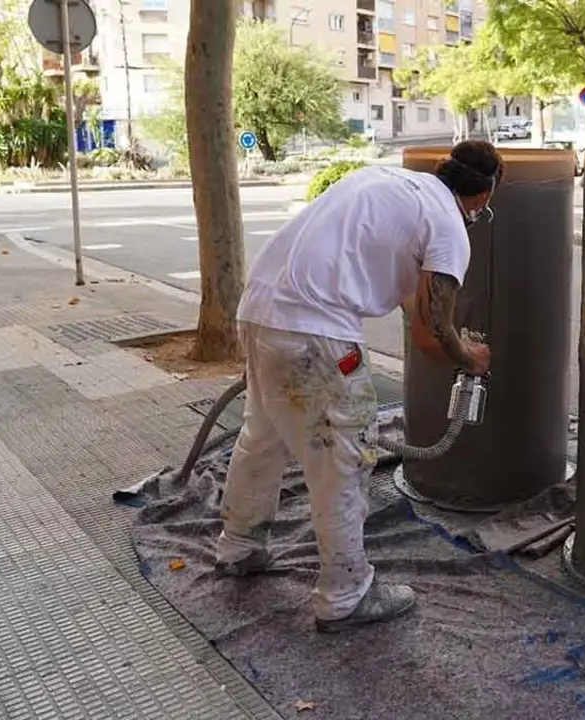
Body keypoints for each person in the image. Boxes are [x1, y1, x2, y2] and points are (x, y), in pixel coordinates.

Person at [215, 140, 502, 633]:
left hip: (260, 311)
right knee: (344, 458)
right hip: (315, 332)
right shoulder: (451, 225)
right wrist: (469, 357)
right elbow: (436, 322)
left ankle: (239, 545)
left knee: (263, 437)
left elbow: (416, 314)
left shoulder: (389, 181)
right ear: (482, 195)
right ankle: (346, 594)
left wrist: (446, 340)